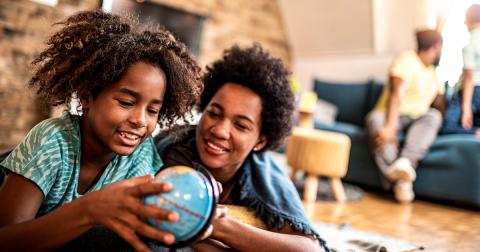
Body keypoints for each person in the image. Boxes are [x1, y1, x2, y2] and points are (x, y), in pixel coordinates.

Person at [0, 10, 202, 251]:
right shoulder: (52, 142)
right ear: (87, 96)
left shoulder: (141, 156)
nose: (140, 120)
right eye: (126, 103)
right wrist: (88, 210)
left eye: (152, 110)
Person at [155, 44, 328, 251]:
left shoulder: (263, 173)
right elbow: (176, 225)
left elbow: (310, 248)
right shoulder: (176, 150)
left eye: (241, 125)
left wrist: (217, 224)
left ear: (260, 141)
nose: (219, 131)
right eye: (214, 113)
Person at [365, 29, 444, 203]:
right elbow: (397, 93)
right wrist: (390, 125)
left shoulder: (433, 73)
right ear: (437, 47)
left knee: (434, 116)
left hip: (417, 118)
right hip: (390, 114)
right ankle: (401, 182)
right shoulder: (407, 60)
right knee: (375, 121)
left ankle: (405, 164)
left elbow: (438, 105)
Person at [441, 4, 480, 137]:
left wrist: (466, 108)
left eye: (465, 19)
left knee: (448, 127)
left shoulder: (471, 43)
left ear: (470, 20)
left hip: (473, 92)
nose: (463, 23)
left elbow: (468, 77)